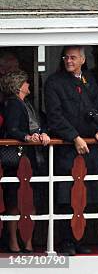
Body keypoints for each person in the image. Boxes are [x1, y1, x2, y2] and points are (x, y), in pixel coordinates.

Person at [44, 46, 98, 255]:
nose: (69, 61)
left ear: (82, 59)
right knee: (66, 197)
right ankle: (66, 242)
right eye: (66, 57)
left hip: (89, 149)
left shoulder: (89, 79)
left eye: (73, 57)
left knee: (87, 196)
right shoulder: (54, 83)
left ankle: (80, 239)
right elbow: (54, 117)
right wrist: (74, 137)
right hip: (67, 150)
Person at [0, 70, 50, 253]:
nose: (29, 85)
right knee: (15, 202)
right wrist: (27, 137)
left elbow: (39, 123)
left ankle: (27, 242)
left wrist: (42, 133)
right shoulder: (13, 104)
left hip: (29, 159)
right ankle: (15, 242)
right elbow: (12, 128)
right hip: (17, 161)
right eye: (26, 82)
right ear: (18, 85)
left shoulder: (26, 104)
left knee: (29, 202)